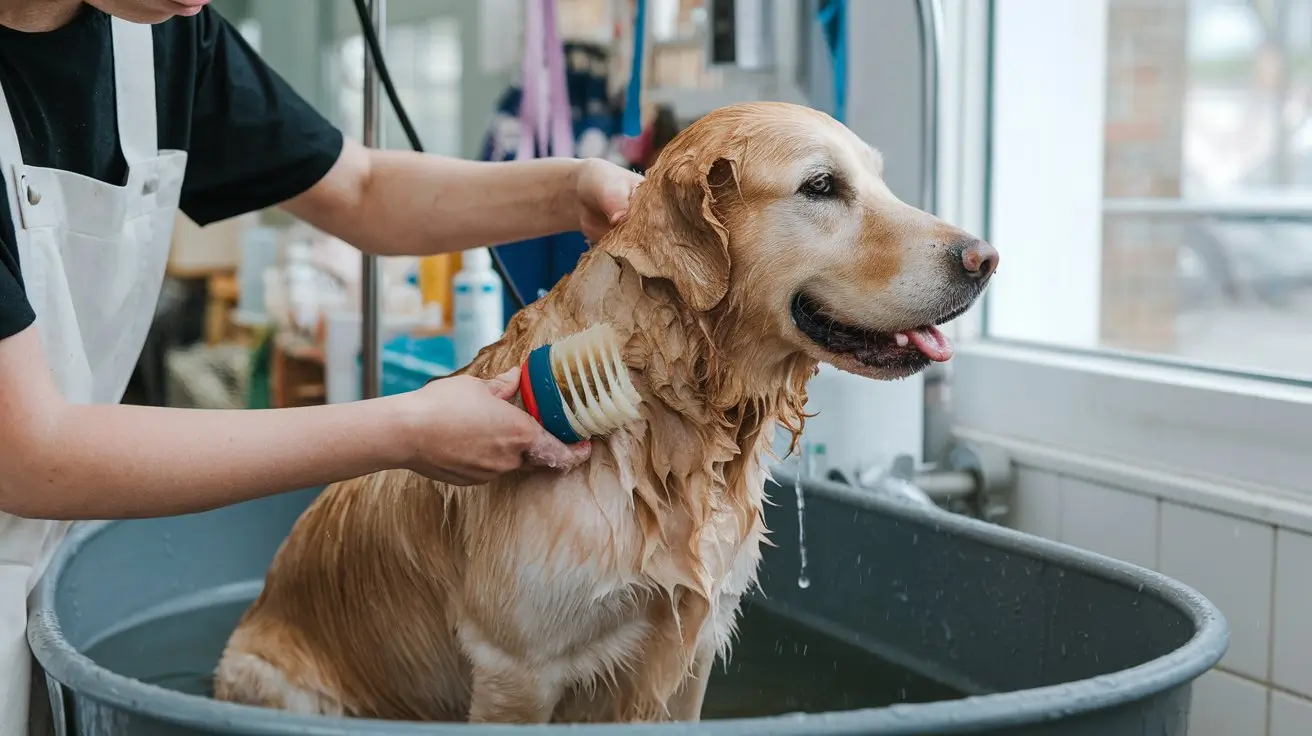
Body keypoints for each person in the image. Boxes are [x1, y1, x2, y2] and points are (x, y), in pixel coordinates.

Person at [0, 0, 645, 731]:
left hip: (47, 558)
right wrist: (404, 430)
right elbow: (27, 455)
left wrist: (567, 193)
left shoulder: (164, 37)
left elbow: (360, 188)